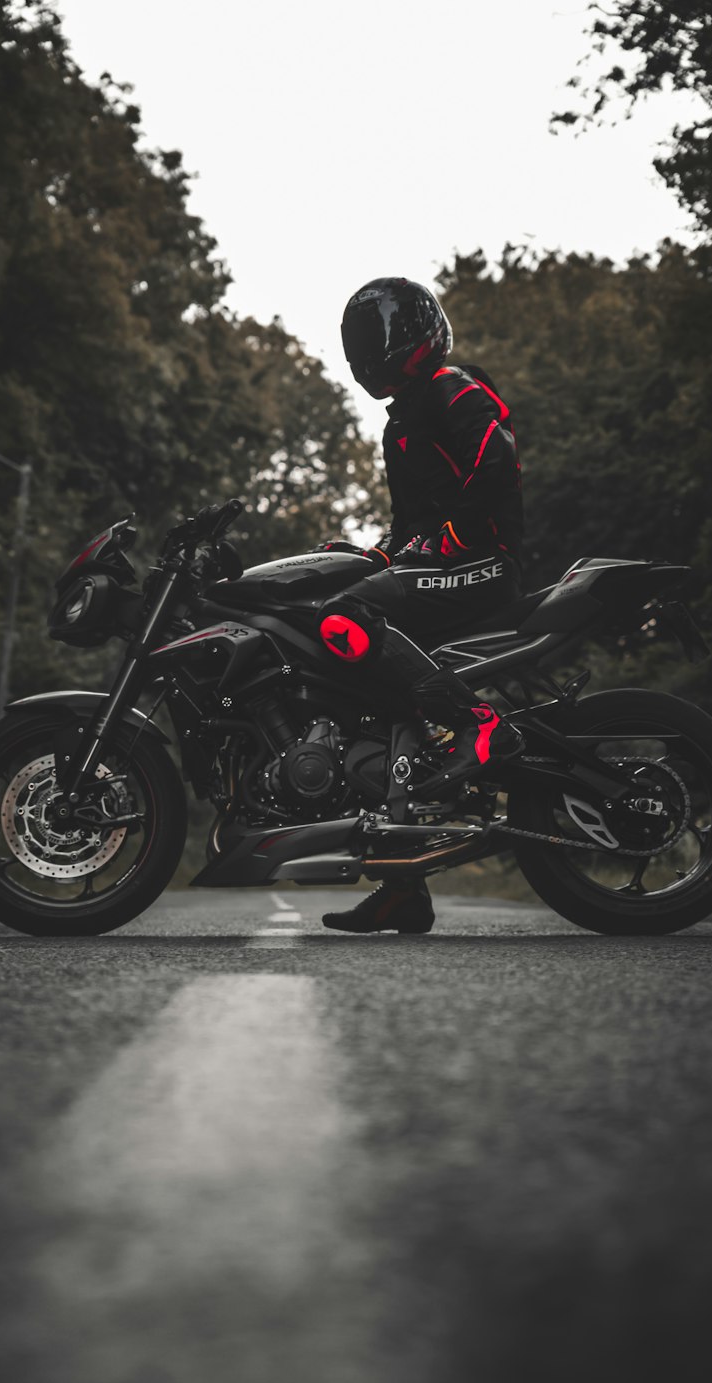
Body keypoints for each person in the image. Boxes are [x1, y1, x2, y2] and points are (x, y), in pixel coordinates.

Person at [318, 276, 525, 935]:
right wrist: (374, 556)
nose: (368, 349)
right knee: (368, 703)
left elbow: (498, 459)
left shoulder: (450, 385)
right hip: (447, 563)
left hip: (483, 564)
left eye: (376, 334)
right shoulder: (401, 424)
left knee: (346, 618)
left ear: (414, 329)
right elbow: (410, 525)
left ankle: (479, 724)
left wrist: (458, 536)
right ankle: (402, 890)